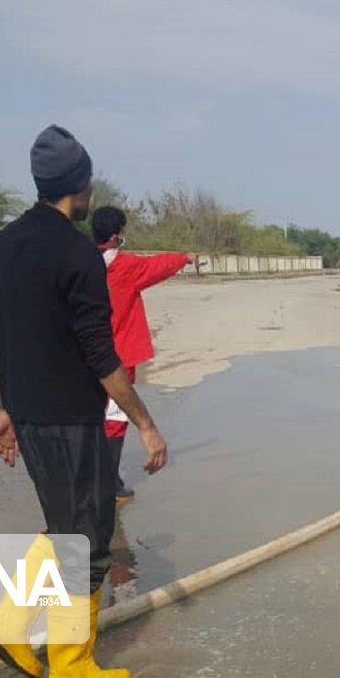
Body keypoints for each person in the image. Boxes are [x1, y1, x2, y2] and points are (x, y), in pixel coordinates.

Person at [0, 125, 168, 678]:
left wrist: (6, 406)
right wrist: (143, 421)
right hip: (70, 418)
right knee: (86, 538)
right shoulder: (77, 254)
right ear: (81, 185)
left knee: (67, 528)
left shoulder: (6, 244)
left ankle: (11, 627)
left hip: (32, 415)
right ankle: (71, 667)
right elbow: (98, 352)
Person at [92, 206, 193, 501]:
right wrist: (185, 258)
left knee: (91, 414)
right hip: (117, 355)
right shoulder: (125, 267)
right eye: (122, 230)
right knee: (115, 415)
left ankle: (93, 474)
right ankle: (108, 479)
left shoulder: (82, 262)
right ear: (115, 236)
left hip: (85, 353)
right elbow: (157, 265)